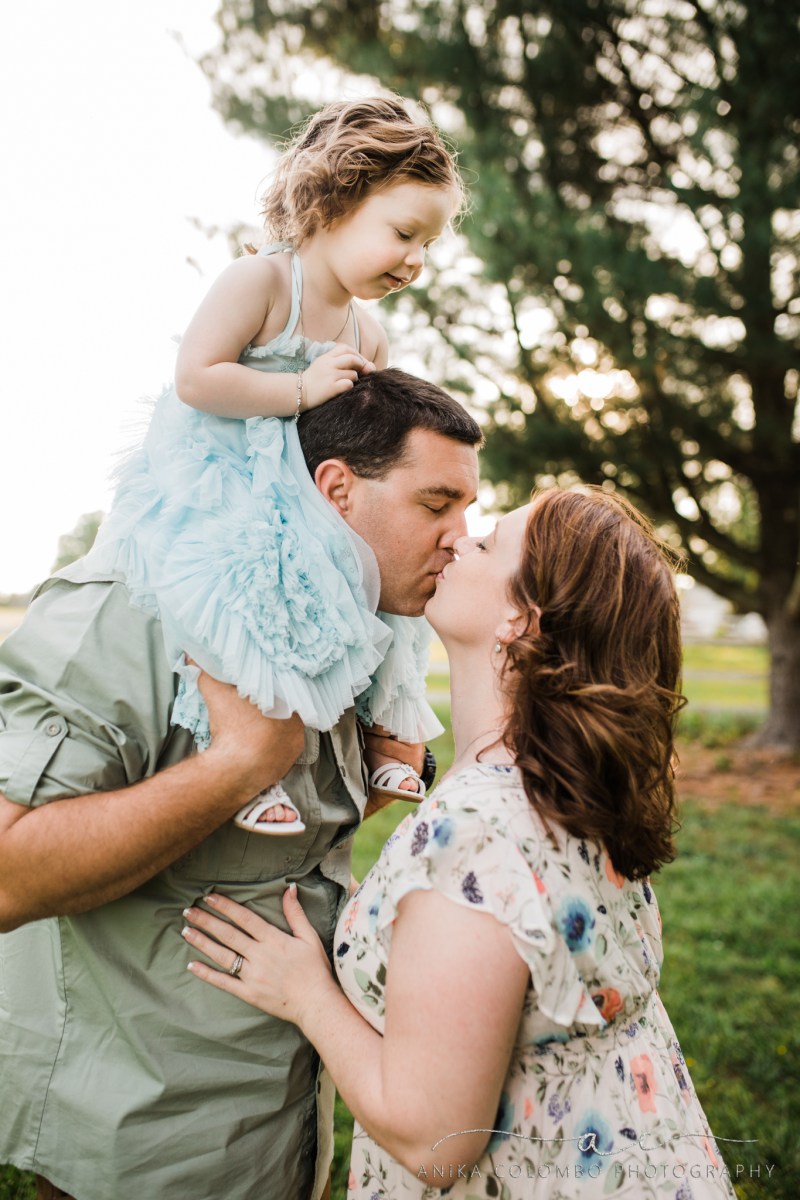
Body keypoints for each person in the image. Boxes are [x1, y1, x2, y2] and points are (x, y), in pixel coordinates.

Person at [0, 370, 482, 1200]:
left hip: (289, 1119)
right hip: (148, 1141)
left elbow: (296, 826)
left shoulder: (350, 632)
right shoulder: (131, 611)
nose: (460, 538)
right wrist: (238, 763)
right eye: (436, 506)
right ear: (336, 489)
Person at [184, 487, 737, 1200]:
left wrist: (307, 994)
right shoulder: (577, 791)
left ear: (522, 619)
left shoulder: (476, 838)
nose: (458, 540)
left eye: (490, 542)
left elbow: (434, 1141)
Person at [81, 95, 464, 836]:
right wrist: (297, 389)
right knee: (245, 600)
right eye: (404, 234)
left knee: (370, 580)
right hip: (224, 476)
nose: (416, 259)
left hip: (307, 487)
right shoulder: (260, 284)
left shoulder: (368, 330)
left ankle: (384, 730)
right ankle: (246, 763)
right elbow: (197, 378)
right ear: (337, 201)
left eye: (429, 244)